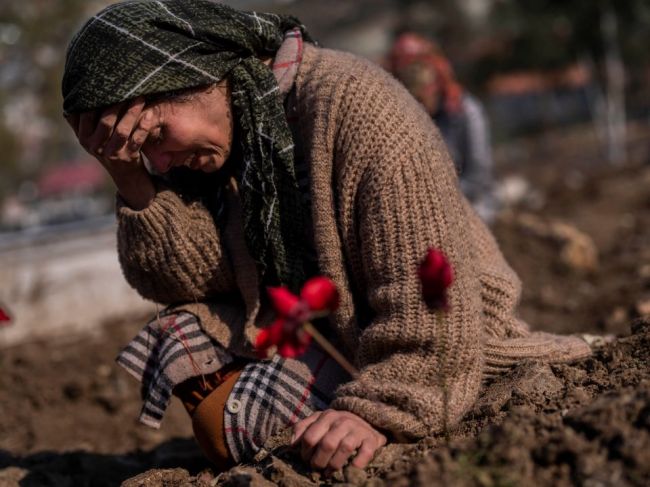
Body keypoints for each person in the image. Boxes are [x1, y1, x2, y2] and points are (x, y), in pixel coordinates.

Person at [62, 0, 591, 473]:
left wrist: (382, 412)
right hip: (337, 336)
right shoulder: (229, 137)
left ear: (198, 74)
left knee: (237, 430)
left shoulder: (357, 107)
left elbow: (435, 296)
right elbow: (188, 278)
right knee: (181, 335)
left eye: (155, 136)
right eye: (140, 152)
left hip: (441, 351)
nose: (158, 160)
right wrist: (129, 177)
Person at [388, 32, 498, 223]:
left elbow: (478, 176)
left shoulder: (466, 112)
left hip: (473, 209)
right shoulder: (403, 120)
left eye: (423, 95)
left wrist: (434, 198)